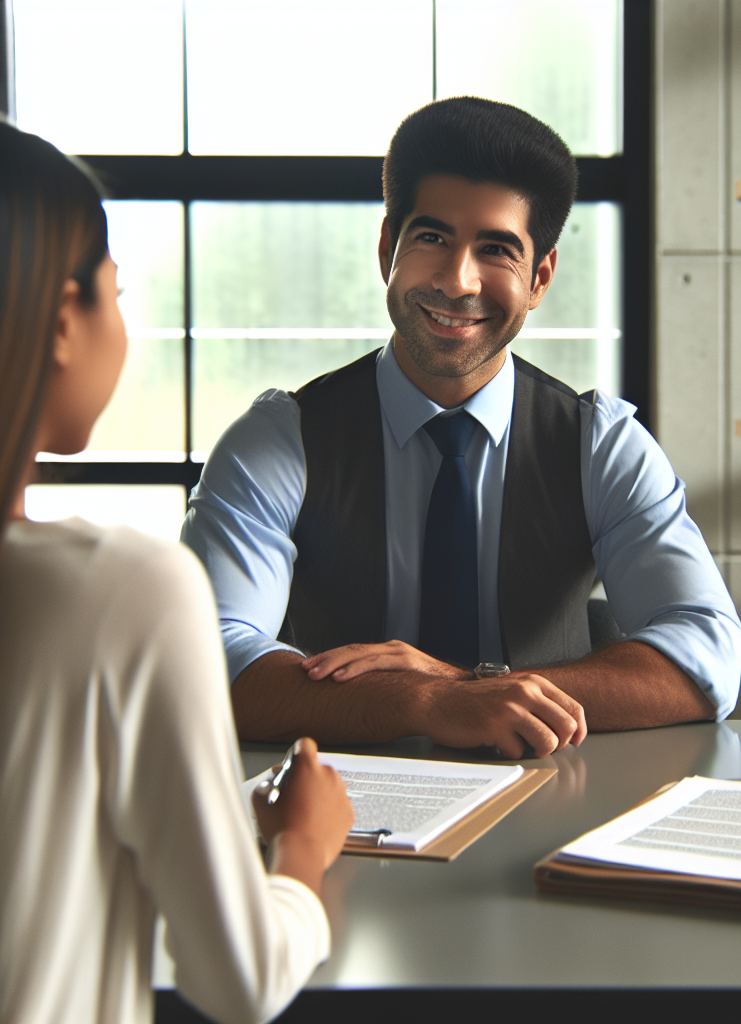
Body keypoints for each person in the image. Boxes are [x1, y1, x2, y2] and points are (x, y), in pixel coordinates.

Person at [181, 97, 741, 759]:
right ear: (388, 248)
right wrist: (424, 701)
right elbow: (202, 659)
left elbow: (708, 653)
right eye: (432, 239)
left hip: (557, 791)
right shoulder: (281, 441)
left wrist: (470, 686)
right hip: (340, 796)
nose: (457, 281)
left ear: (539, 278)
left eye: (496, 250)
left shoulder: (600, 444)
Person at [0, 121, 354, 1024]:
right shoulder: (118, 592)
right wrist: (304, 847)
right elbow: (240, 977)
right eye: (116, 291)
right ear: (63, 321)